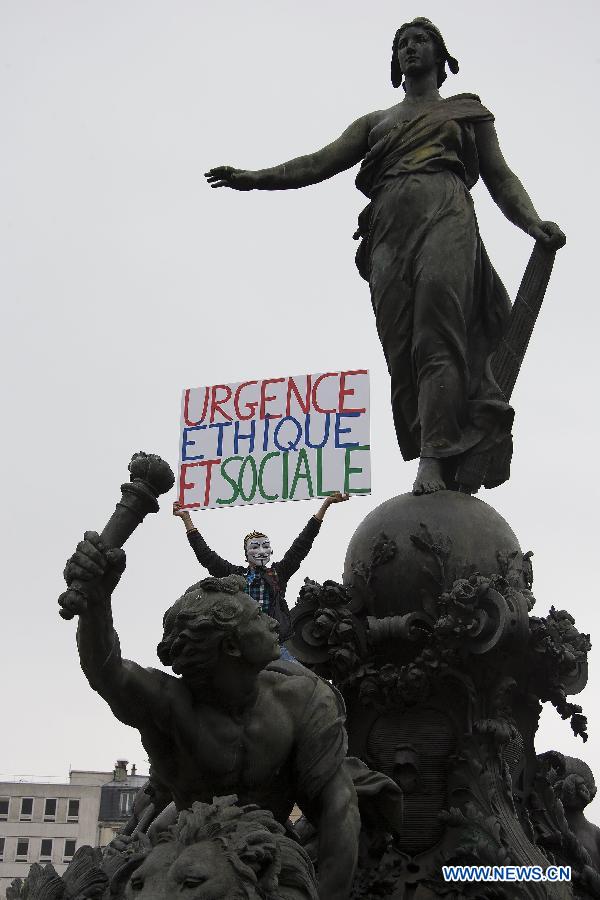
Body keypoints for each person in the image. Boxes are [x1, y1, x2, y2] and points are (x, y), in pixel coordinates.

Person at [205, 18, 565, 495]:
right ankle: (433, 442)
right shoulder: (376, 124)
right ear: (394, 62)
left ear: (441, 56)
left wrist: (532, 221)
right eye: (401, 45)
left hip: (446, 214)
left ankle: (433, 461)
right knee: (403, 350)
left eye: (420, 41)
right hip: (388, 235)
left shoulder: (467, 112)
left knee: (437, 333)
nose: (410, 49)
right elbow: (318, 162)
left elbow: (500, 177)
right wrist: (255, 177)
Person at [61, 540, 360, 900]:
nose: (271, 620)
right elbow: (106, 670)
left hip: (269, 856)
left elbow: (339, 808)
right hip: (188, 853)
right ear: (232, 647)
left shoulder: (303, 698)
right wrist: (97, 602)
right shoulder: (173, 706)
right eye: (255, 617)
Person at [172, 492, 349, 651]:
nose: (261, 551)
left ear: (271, 551)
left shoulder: (279, 573)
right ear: (246, 553)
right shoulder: (235, 576)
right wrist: (186, 519)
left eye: (265, 546)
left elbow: (301, 545)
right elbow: (207, 557)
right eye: (255, 547)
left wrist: (325, 505)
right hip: (241, 640)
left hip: (274, 642)